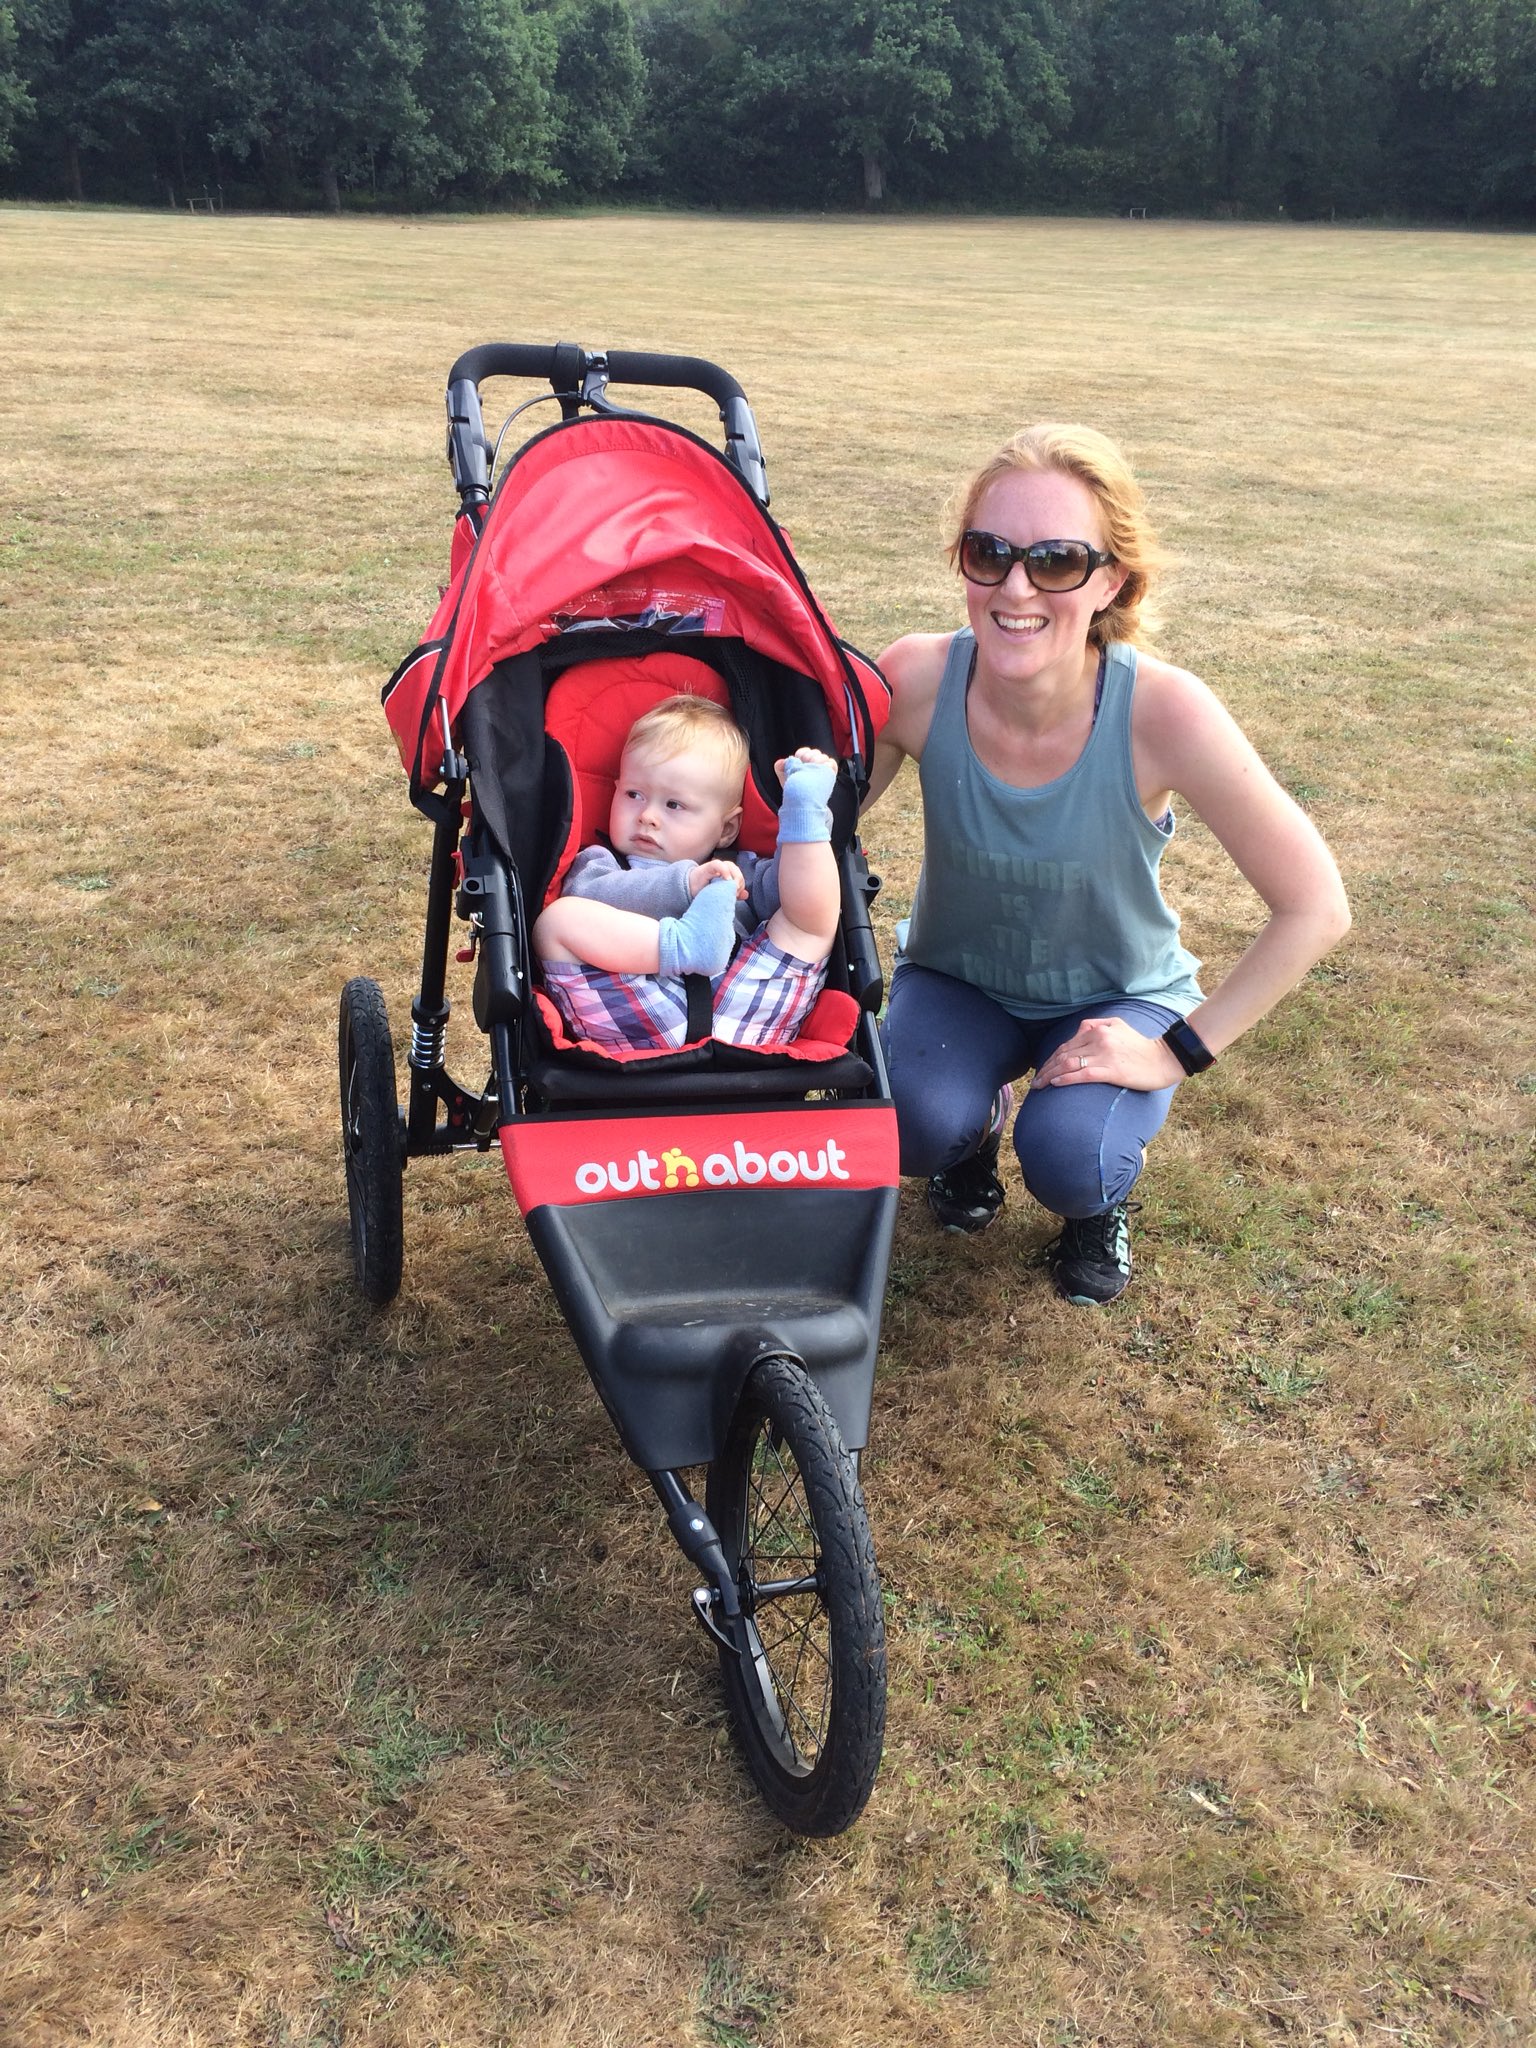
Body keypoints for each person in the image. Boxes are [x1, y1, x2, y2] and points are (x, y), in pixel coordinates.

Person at [864, 423, 1351, 1305]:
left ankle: (1096, 1207)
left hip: (1113, 996)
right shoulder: (915, 679)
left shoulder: (1164, 712)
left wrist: (1173, 1052)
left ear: (1111, 580)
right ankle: (971, 1130)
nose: (1016, 588)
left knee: (1074, 1159)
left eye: (1057, 561)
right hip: (958, 981)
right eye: (989, 553)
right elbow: (812, 821)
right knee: (907, 1123)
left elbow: (1316, 906)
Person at [534, 694, 841, 1052]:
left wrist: (797, 841)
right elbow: (588, 896)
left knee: (806, 921)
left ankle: (804, 817)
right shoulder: (599, 864)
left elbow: (786, 896)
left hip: (746, 999)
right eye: (633, 794)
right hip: (638, 1003)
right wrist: (686, 884)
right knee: (558, 920)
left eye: (674, 804)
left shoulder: (739, 869)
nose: (647, 816)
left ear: (726, 829)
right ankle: (685, 944)